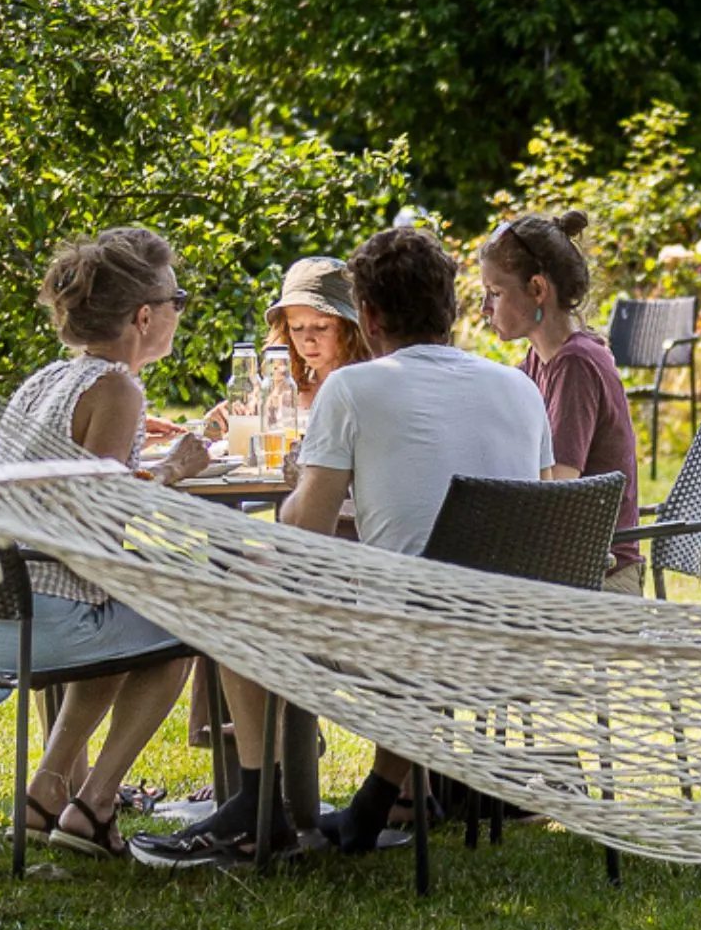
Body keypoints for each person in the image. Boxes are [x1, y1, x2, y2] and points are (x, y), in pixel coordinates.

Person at [133, 226, 551, 868]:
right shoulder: (520, 388)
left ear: (371, 317)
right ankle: (374, 794)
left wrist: (301, 484)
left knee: (236, 586)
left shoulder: (352, 390)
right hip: (514, 641)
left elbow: (303, 540)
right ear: (455, 308)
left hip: (404, 650)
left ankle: (259, 802)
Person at [0, 227, 209, 861]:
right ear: (145, 316)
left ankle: (47, 795)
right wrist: (172, 471)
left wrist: (139, 461)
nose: (177, 314)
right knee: (186, 625)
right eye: (176, 302)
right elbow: (99, 524)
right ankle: (96, 804)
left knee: (127, 608)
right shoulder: (118, 389)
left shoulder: (45, 381)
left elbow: (64, 496)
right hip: (32, 622)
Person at [481, 210, 643, 591]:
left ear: (537, 289)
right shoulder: (541, 360)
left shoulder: (575, 364)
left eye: (496, 293)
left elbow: (559, 488)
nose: (484, 308)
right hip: (569, 565)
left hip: (601, 578)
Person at [203, 255, 368, 436]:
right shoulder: (278, 391)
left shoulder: (368, 388)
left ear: (351, 328)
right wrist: (216, 425)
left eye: (321, 327)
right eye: (296, 328)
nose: (308, 339)